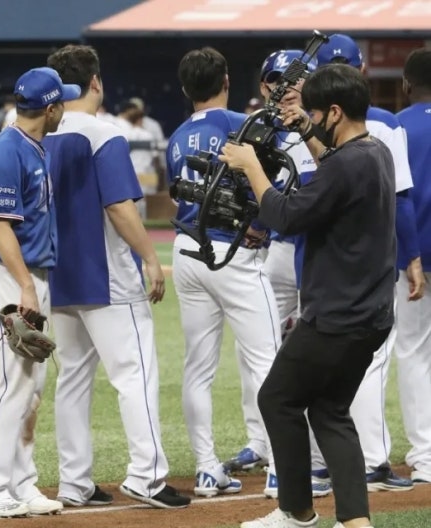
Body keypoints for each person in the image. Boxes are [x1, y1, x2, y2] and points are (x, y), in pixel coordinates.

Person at [223, 63, 396, 528]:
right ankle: (355, 522)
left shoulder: (346, 164)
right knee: (329, 410)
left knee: (277, 399)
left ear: (335, 112)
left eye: (317, 114)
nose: (313, 119)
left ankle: (296, 512)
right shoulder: (375, 150)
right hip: (372, 314)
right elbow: (336, 173)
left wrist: (253, 167)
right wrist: (306, 131)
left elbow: (284, 215)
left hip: (336, 317)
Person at [43, 44, 191, 510]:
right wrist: (150, 257)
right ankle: (146, 476)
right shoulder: (102, 132)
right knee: (135, 374)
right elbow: (119, 206)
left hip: (55, 272)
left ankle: (74, 482)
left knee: (72, 379)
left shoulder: (35, 129)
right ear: (96, 83)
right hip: (104, 273)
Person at [308, 33, 423, 493]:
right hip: (368, 263)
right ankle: (371, 459)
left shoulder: (306, 125)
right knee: (371, 358)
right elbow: (402, 200)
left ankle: (315, 463)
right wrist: (412, 256)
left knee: (306, 363)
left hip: (307, 258)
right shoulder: (384, 124)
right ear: (362, 73)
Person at [167, 46, 280, 498]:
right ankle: (281, 470)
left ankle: (206, 469)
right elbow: (273, 184)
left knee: (198, 367)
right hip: (233, 251)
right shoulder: (239, 124)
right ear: (226, 80)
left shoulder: (175, 136)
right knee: (267, 360)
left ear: (184, 88)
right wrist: (260, 224)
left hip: (186, 250)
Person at [0, 66, 77, 519]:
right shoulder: (7, 151)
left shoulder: (34, 146)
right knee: (13, 385)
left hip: (29, 275)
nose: (65, 109)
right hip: (6, 274)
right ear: (50, 108)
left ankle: (21, 483)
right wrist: (27, 286)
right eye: (62, 103)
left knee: (31, 390)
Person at [227, 50, 330, 499]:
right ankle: (261, 441)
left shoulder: (321, 128)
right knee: (260, 349)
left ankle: (318, 458)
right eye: (274, 80)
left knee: (316, 352)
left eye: (293, 79)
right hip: (277, 251)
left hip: (317, 252)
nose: (283, 87)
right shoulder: (262, 130)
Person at [395, 47, 431, 485]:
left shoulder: (396, 126)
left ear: (406, 84)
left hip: (412, 260)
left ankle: (425, 456)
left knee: (413, 353)